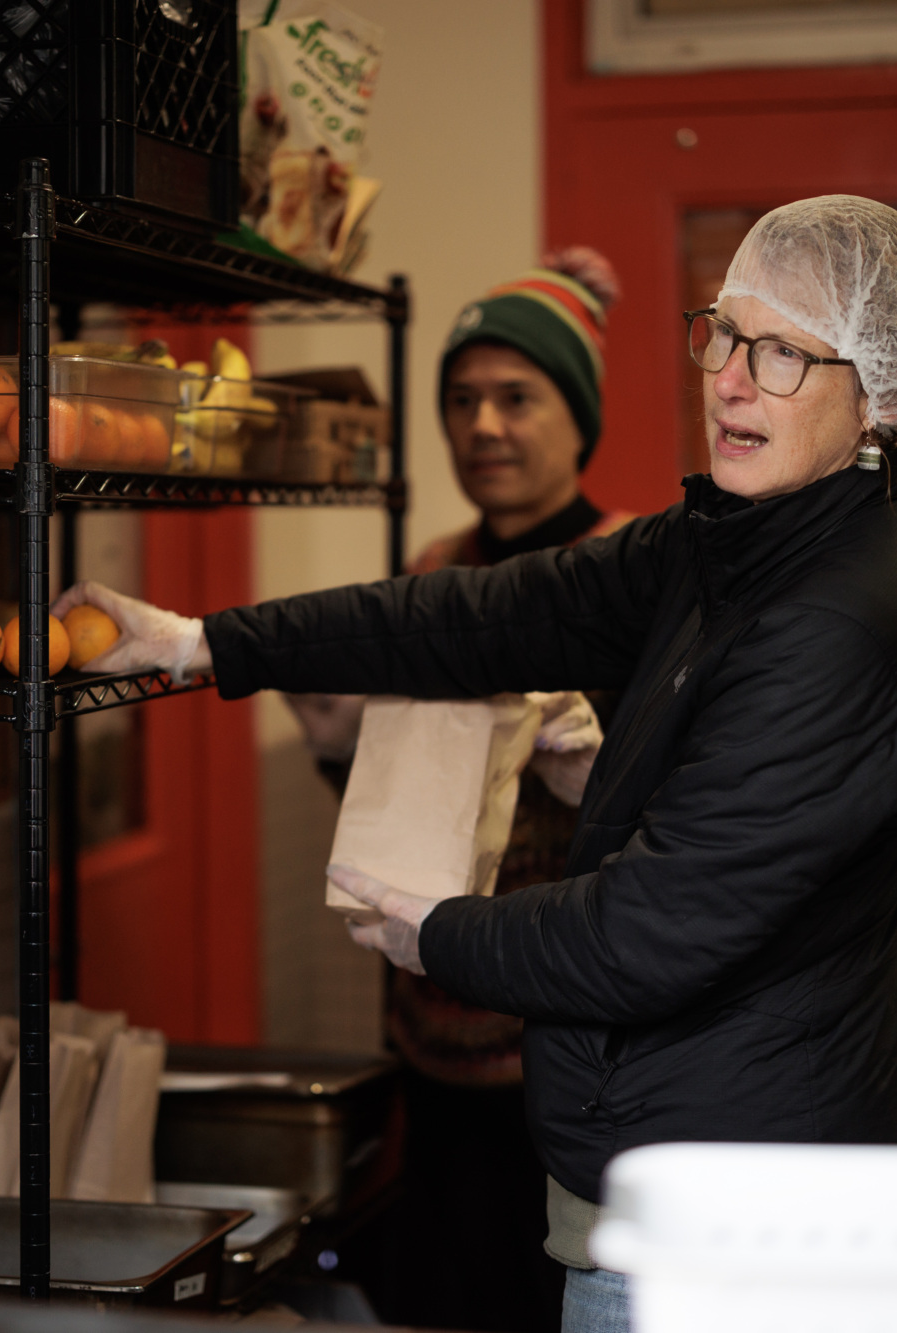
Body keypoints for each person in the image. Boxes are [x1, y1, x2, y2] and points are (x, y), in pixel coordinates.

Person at [56, 195, 897, 1333]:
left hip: (740, 1233)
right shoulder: (736, 545)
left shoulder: (836, 619)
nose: (729, 379)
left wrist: (430, 932)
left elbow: (649, 934)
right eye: (722, 334)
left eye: (781, 354)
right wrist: (210, 643)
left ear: (876, 396)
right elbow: (483, 614)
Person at [284, 250, 634, 1332]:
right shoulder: (433, 571)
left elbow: (666, 810)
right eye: (460, 399)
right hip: (433, 1032)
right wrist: (336, 737)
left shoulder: (632, 573)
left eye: (516, 397)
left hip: (579, 1052)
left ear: (578, 418)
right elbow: (390, 789)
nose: (482, 425)